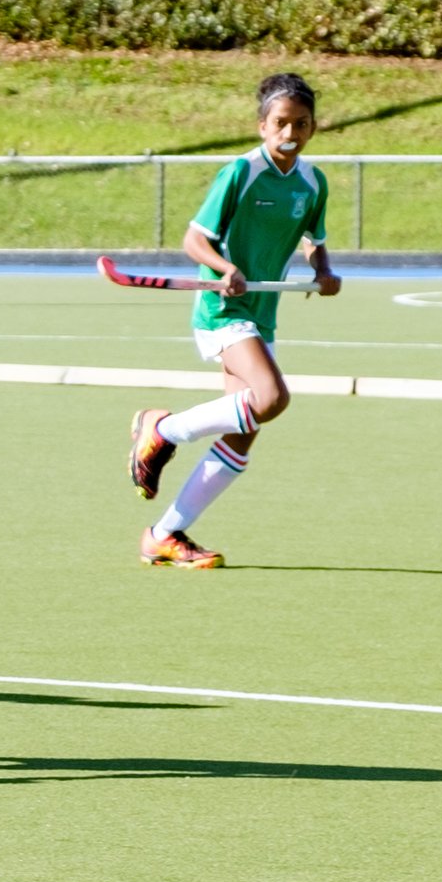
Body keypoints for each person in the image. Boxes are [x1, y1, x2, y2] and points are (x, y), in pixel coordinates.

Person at [126, 72, 340, 568]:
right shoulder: (241, 172)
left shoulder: (313, 182)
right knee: (272, 398)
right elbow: (194, 240)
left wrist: (324, 271)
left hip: (262, 313)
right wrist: (224, 269)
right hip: (223, 308)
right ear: (263, 125)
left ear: (313, 128)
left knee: (244, 431)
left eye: (301, 124)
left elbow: (314, 238)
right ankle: (164, 429)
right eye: (281, 123)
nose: (290, 133)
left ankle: (163, 534)